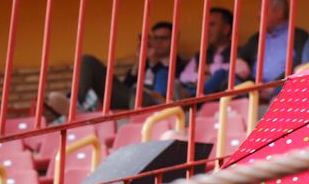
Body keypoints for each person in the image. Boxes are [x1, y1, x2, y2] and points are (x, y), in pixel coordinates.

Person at [45, 22, 180, 116]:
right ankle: (74, 102)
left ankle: (81, 109)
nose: (158, 42)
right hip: (128, 98)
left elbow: (167, 92)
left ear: (174, 39)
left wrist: (155, 62)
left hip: (149, 101)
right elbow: (124, 86)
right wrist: (140, 61)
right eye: (155, 38)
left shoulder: (179, 63)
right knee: (87, 61)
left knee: (137, 94)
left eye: (163, 38)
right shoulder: (145, 63)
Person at [179, 7, 252, 96]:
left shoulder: (240, 52)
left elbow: (242, 71)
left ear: (226, 29)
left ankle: (193, 98)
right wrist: (201, 78)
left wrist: (209, 69)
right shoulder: (201, 55)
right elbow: (183, 77)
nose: (207, 29)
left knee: (221, 74)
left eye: (212, 24)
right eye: (206, 25)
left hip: (229, 99)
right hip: (205, 99)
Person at [240, 0, 309, 87]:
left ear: (280, 12)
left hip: (283, 88)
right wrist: (239, 61)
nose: (258, 14)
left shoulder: (299, 36)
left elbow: (302, 65)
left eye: (263, 9)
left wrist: (274, 87)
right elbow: (242, 56)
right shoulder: (257, 37)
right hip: (252, 89)